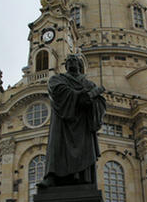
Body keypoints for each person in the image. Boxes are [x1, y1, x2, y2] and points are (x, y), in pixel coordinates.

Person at [39, 54, 106, 188]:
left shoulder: (89, 83)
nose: (71, 62)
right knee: (57, 146)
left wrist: (92, 101)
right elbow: (58, 91)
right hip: (63, 121)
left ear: (80, 65)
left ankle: (83, 178)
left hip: (82, 123)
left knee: (83, 149)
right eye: (68, 60)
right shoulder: (57, 79)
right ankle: (52, 177)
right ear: (65, 65)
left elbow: (100, 103)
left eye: (74, 60)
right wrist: (81, 96)